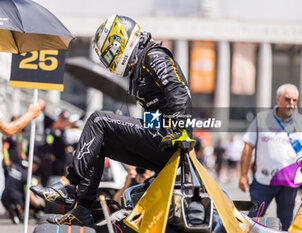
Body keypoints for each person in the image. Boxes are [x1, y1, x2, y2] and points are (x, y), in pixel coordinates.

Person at [30, 14, 192, 226]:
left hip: (168, 140)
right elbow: (157, 113)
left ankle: (69, 183)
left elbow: (178, 90)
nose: (109, 62)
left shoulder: (154, 56)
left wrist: (180, 131)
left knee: (98, 120)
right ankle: (82, 209)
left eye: (109, 55)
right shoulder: (141, 66)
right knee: (100, 142)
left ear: (122, 42)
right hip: (160, 141)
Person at [239, 84, 302, 231]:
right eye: (287, 99)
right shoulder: (261, 119)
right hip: (263, 183)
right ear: (278, 99)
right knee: (253, 222)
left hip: (290, 184)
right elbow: (247, 147)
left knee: (285, 224)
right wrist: (243, 175)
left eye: (295, 100)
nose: (291, 104)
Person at [1, 156, 41, 224]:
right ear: (34, 165)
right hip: (16, 198)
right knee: (31, 207)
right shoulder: (27, 175)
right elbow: (29, 195)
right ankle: (19, 212)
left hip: (4, 197)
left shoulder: (14, 167)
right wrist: (40, 207)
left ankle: (14, 213)